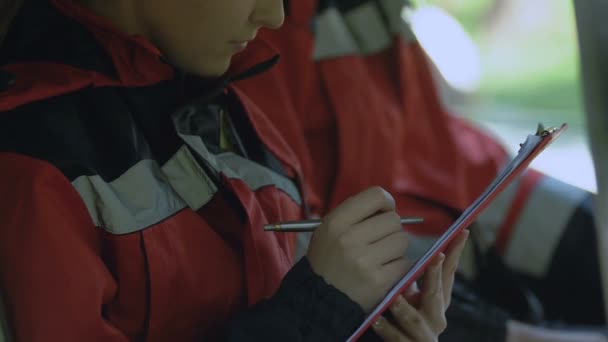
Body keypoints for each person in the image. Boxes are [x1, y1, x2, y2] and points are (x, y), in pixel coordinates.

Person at [0, 0, 470, 341]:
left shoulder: (230, 112)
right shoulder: (32, 163)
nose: (275, 16)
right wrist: (316, 312)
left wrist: (370, 324)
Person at [234, 0, 607, 340]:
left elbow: (425, 126)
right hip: (390, 239)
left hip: (466, 184)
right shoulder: (266, 27)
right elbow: (300, 246)